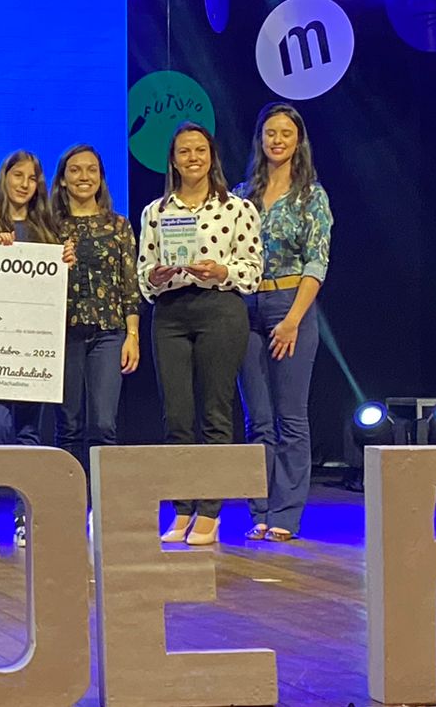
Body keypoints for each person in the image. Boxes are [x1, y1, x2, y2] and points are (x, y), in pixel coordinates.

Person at [138, 123, 260, 547]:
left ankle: (210, 511)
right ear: (173, 160)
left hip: (219, 309)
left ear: (212, 157)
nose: (193, 157)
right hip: (170, 313)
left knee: (215, 413)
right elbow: (143, 273)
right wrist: (156, 276)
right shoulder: (156, 212)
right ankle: (182, 507)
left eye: (200, 150)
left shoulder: (237, 208)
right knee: (176, 416)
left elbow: (252, 271)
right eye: (184, 151)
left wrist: (221, 269)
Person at [235, 103, 332, 543]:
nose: (277, 140)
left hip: (292, 304)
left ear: (298, 141)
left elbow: (317, 262)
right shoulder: (242, 195)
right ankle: (259, 510)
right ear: (260, 139)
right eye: (270, 132)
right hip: (245, 305)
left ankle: (286, 515)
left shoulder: (311, 196)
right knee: (257, 419)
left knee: (290, 418)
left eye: (285, 133)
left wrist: (293, 319)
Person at [0, 150, 74, 548]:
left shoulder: (49, 232)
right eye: (18, 175)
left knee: (30, 431)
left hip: (35, 347)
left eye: (32, 177)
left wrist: (65, 264)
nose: (24, 184)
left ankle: (23, 515)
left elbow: (58, 292)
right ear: (4, 178)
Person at [50, 143, 141, 522]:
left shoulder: (119, 225)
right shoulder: (49, 226)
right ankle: (69, 506)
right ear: (62, 179)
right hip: (64, 333)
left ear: (101, 177)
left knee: (103, 424)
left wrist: (132, 335)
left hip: (109, 332)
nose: (83, 177)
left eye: (91, 169)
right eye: (75, 170)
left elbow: (130, 284)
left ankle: (103, 509)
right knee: (68, 425)